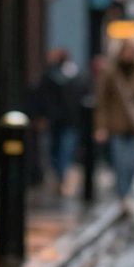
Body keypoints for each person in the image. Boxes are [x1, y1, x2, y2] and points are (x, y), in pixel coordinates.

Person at [94, 39, 134, 216]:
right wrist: (101, 127)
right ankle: (124, 196)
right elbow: (102, 101)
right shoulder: (111, 72)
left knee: (133, 163)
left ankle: (128, 193)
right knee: (120, 163)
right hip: (116, 125)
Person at [34, 49, 86, 195]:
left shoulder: (74, 76)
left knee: (66, 151)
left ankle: (63, 178)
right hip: (54, 121)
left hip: (70, 121)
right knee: (54, 151)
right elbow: (42, 97)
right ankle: (60, 177)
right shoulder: (49, 76)